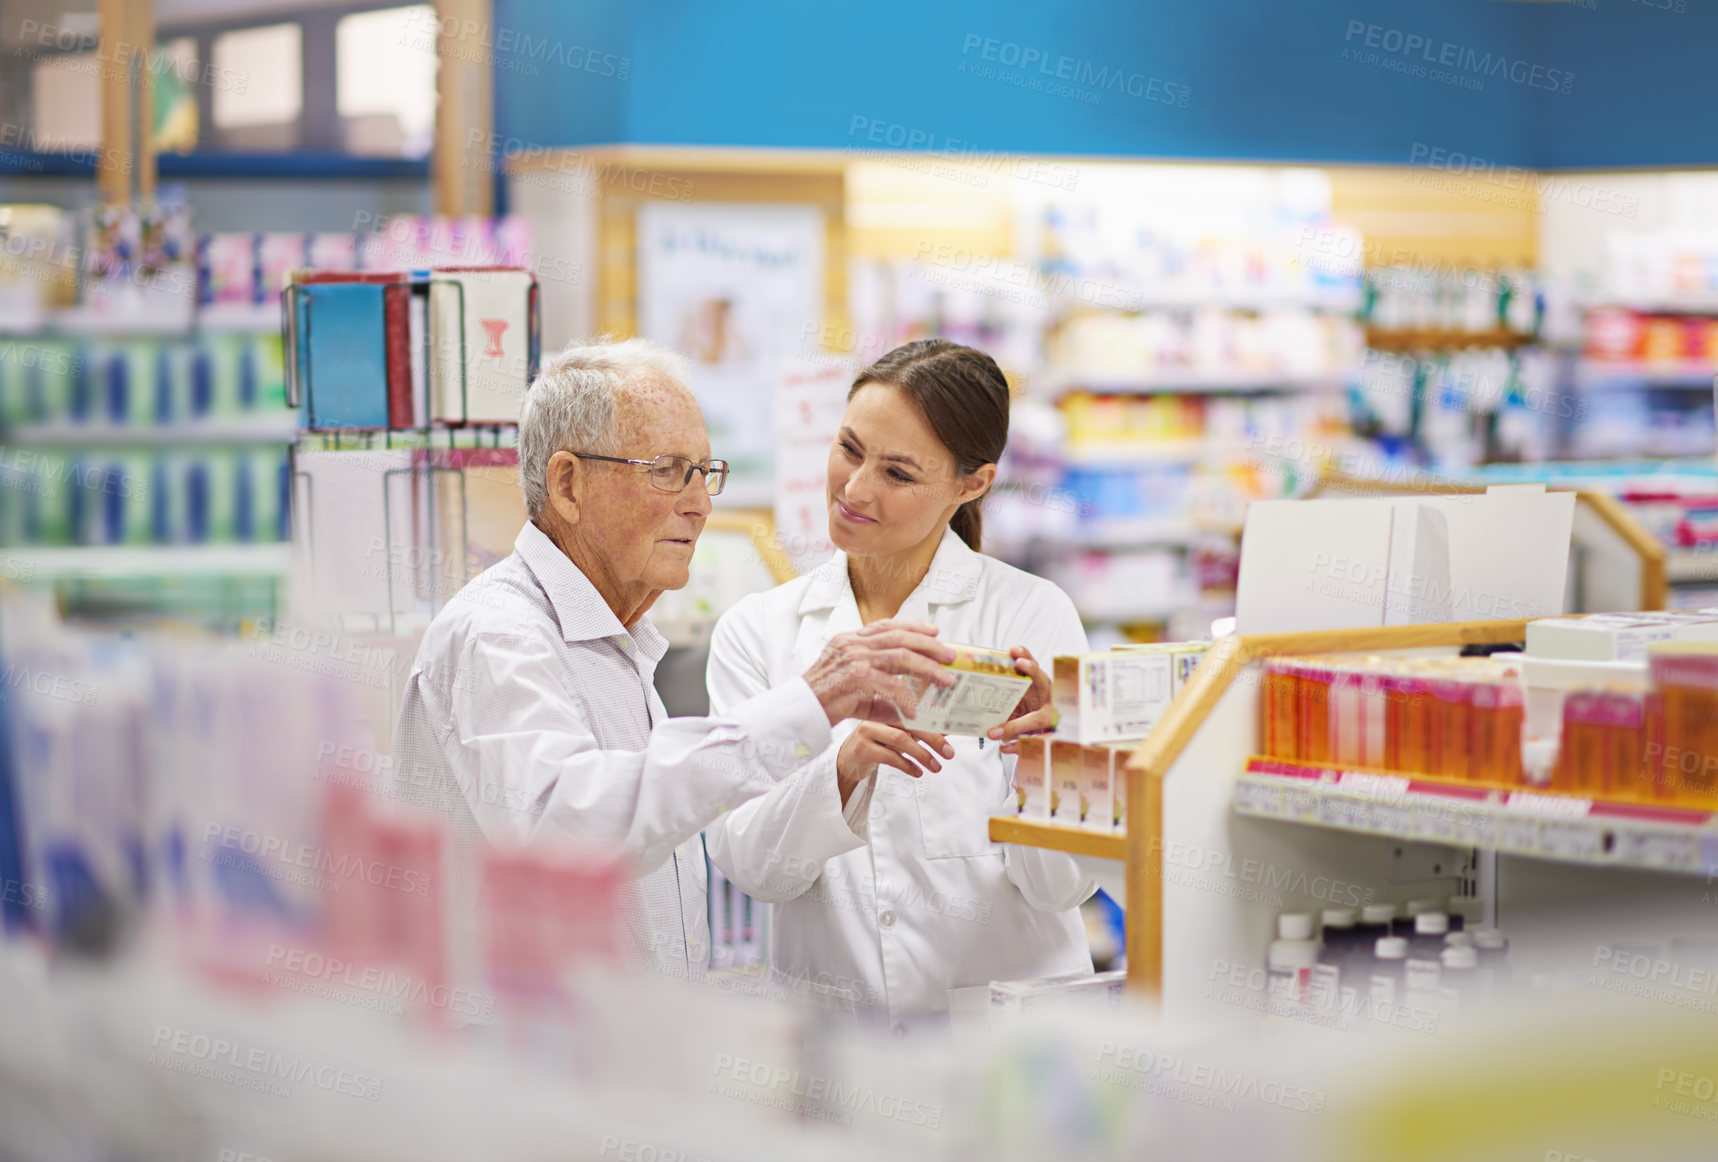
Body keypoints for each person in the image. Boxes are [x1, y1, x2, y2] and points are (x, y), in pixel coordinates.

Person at [390, 338, 959, 979]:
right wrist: (809, 703)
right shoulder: (497, 634)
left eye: (705, 472)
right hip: (519, 1065)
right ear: (569, 484)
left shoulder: (617, 641)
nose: (700, 502)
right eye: (666, 470)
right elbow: (569, 830)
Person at [704, 339, 1097, 1028]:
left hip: (1009, 1048)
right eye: (850, 449)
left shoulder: (1032, 616)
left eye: (898, 473)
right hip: (838, 1042)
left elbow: (1063, 886)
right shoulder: (758, 630)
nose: (855, 490)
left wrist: (1046, 760)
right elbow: (749, 864)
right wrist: (845, 769)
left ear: (971, 484)